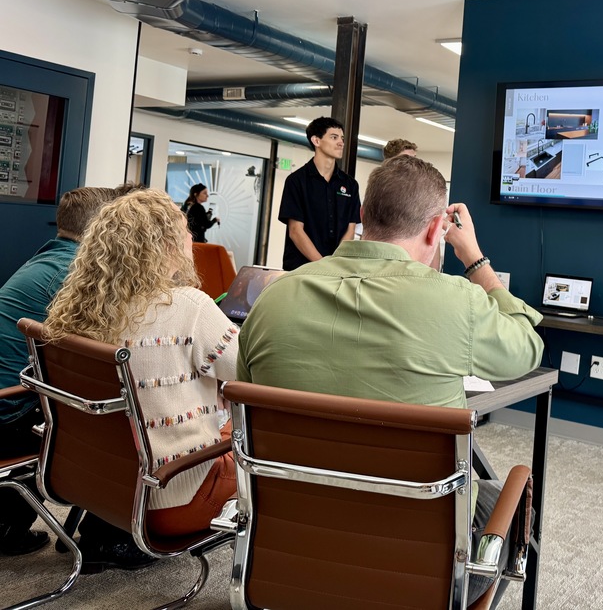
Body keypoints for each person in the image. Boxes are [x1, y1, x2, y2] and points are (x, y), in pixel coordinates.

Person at [238, 155, 543, 603]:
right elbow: (527, 348)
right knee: (501, 498)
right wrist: (474, 260)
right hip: (425, 568)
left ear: (361, 216)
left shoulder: (274, 296)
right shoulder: (454, 302)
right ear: (438, 228)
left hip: (288, 543)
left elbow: (246, 405)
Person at [46, 190, 239, 554]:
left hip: (100, 486)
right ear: (166, 245)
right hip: (173, 497)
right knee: (258, 442)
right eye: (185, 230)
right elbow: (252, 373)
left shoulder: (83, 307)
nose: (191, 238)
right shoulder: (189, 306)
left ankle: (108, 535)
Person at [0, 186, 116, 557]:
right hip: (10, 411)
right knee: (100, 416)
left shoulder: (43, 260)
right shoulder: (72, 277)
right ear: (101, 228)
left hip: (5, 398)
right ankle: (106, 535)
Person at [278, 116, 361, 270]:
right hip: (301, 269)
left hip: (336, 269)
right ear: (316, 141)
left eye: (342, 138)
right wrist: (322, 266)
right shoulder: (296, 181)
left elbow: (350, 229)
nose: (341, 143)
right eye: (334, 137)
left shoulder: (350, 185)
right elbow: (295, 231)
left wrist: (335, 264)